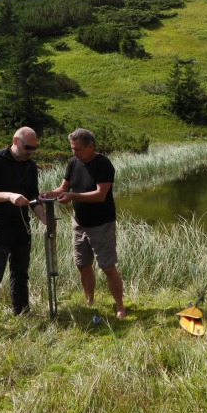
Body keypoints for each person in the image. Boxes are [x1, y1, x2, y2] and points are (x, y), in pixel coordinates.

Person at [41, 128, 125, 319]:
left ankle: (120, 306)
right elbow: (64, 187)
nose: (74, 153)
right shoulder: (73, 162)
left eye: (78, 149)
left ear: (90, 146)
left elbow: (100, 194)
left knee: (107, 267)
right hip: (79, 223)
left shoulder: (103, 164)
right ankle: (89, 301)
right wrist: (50, 194)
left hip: (101, 223)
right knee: (82, 264)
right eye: (72, 149)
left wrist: (72, 196)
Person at [0, 127, 47, 336]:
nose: (30, 152)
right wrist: (9, 196)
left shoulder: (30, 165)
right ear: (15, 140)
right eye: (27, 147)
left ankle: (22, 311)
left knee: (21, 273)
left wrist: (43, 217)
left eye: (34, 148)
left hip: (22, 224)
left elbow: (33, 195)